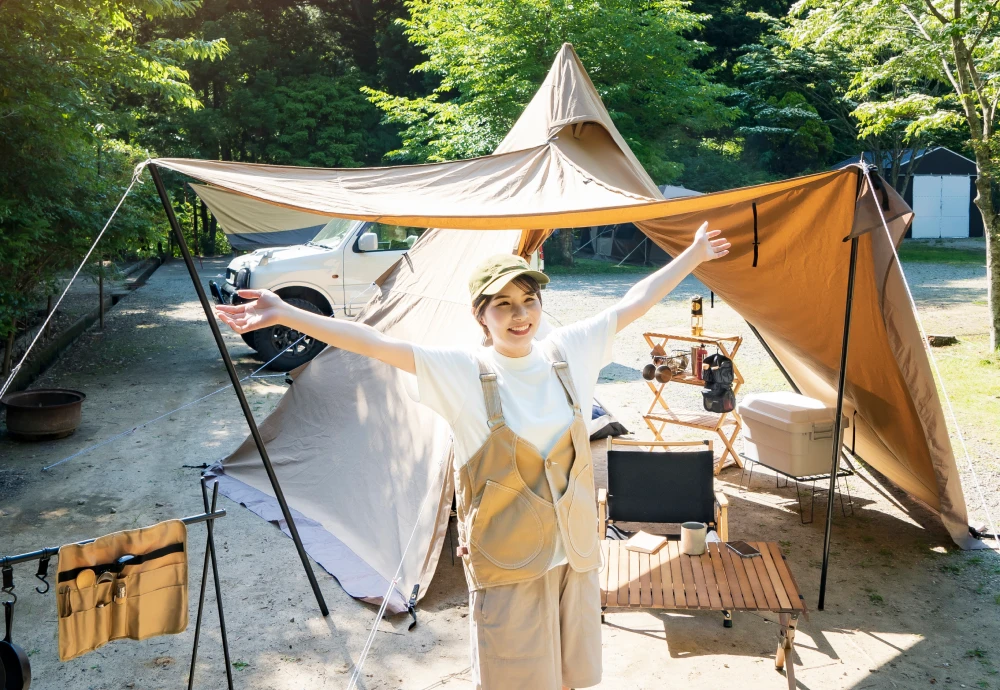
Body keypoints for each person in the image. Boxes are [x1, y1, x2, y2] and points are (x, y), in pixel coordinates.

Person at [216, 222, 730, 689]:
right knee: (516, 681)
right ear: (480, 315)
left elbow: (633, 302)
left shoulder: (568, 351)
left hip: (574, 556)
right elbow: (372, 342)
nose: (519, 315)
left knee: (572, 676)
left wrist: (693, 254)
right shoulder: (462, 372)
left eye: (528, 300)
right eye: (502, 304)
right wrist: (286, 312)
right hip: (508, 565)